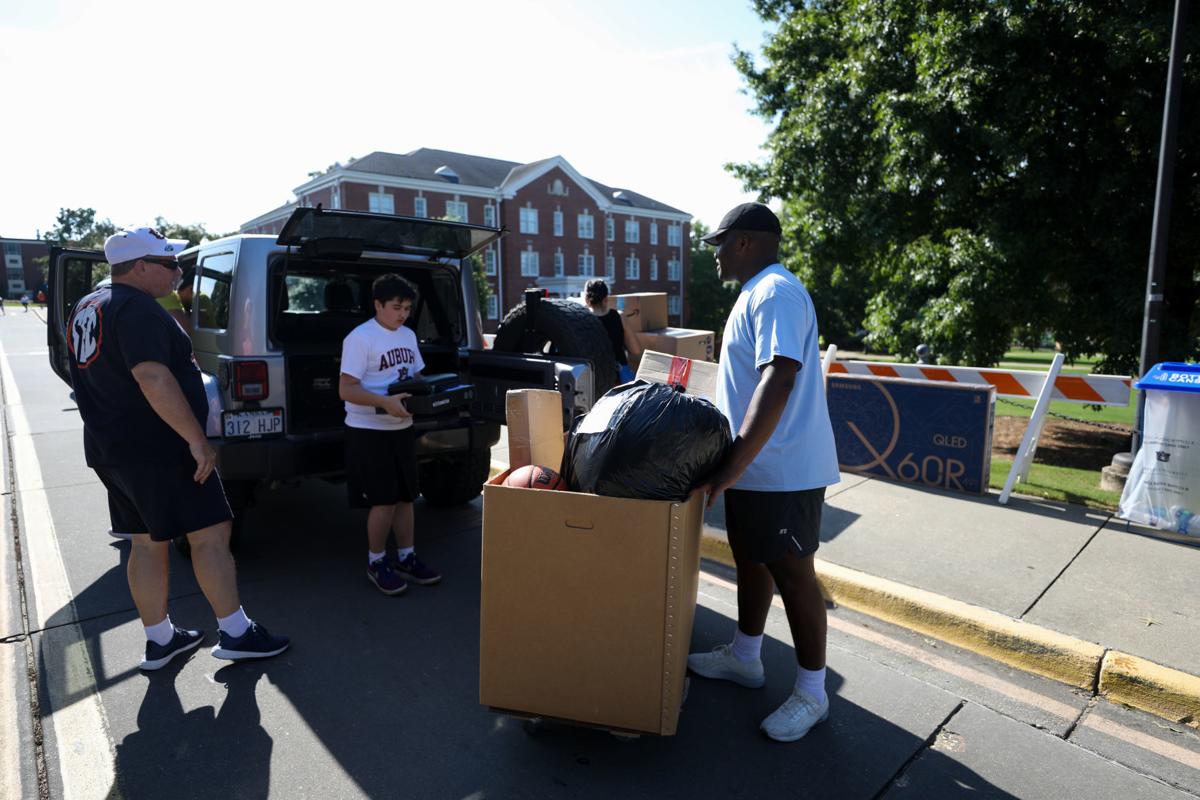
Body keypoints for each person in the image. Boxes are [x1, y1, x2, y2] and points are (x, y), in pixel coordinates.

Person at [67, 226, 289, 670]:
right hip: (160, 448)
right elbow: (152, 377)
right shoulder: (138, 309)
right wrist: (196, 441)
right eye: (169, 263)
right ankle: (237, 632)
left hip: (111, 447)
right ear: (141, 266)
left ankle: (161, 639)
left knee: (145, 542)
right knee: (210, 534)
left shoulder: (88, 305)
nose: (177, 271)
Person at [686, 203, 841, 742]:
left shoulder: (776, 291)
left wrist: (733, 463)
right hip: (758, 466)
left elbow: (779, 379)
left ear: (746, 242)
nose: (716, 255)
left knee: (795, 575)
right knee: (751, 560)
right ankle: (746, 657)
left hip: (782, 469)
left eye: (721, 244)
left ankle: (812, 693)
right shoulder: (755, 292)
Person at [338, 274, 441, 595]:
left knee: (406, 497)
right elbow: (346, 389)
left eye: (407, 308)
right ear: (378, 304)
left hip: (402, 429)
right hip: (369, 432)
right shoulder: (360, 338)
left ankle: (407, 558)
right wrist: (384, 402)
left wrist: (427, 397)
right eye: (396, 307)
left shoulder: (408, 336)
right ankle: (376, 561)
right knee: (383, 501)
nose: (402, 314)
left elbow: (416, 376)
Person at [582, 278, 642, 383]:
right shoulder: (619, 317)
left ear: (587, 299)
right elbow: (636, 350)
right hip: (617, 376)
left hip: (592, 378)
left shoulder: (582, 319)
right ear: (606, 299)